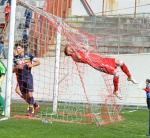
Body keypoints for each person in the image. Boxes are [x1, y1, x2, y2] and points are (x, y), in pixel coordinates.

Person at [64, 45, 138, 99]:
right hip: (97, 64)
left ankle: (129, 77)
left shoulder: (78, 51)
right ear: (68, 53)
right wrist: (74, 49)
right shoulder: (73, 56)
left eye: (70, 48)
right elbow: (79, 57)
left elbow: (88, 49)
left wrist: (82, 46)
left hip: (100, 59)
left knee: (121, 62)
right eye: (69, 50)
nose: (70, 49)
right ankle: (116, 91)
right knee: (116, 73)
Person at [13, 42, 40, 116]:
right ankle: (35, 105)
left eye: (19, 48)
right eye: (16, 48)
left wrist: (32, 64)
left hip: (28, 77)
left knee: (30, 94)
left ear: (23, 49)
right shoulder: (15, 58)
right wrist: (16, 67)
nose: (17, 50)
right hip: (20, 79)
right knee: (25, 96)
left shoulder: (29, 56)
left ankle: (30, 111)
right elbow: (12, 70)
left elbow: (38, 62)